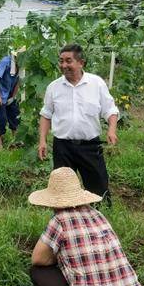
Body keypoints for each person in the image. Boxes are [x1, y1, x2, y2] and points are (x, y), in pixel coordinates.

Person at [29, 167, 144, 286]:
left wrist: (58, 258)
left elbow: (38, 258)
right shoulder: (98, 215)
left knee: (38, 271)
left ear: (52, 201)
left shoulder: (60, 220)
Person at [38, 44, 119, 206]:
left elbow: (110, 110)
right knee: (62, 192)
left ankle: (99, 223)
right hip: (63, 147)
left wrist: (111, 130)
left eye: (69, 61)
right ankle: (67, 224)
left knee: (99, 189)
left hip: (90, 146)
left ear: (81, 62)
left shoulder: (96, 84)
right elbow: (46, 115)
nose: (64, 65)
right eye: (61, 61)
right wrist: (42, 140)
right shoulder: (54, 87)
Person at [0, 47, 25, 150]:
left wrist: (13, 97)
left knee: (15, 116)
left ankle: (16, 139)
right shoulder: (6, 62)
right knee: (2, 118)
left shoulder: (21, 66)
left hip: (9, 95)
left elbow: (18, 82)